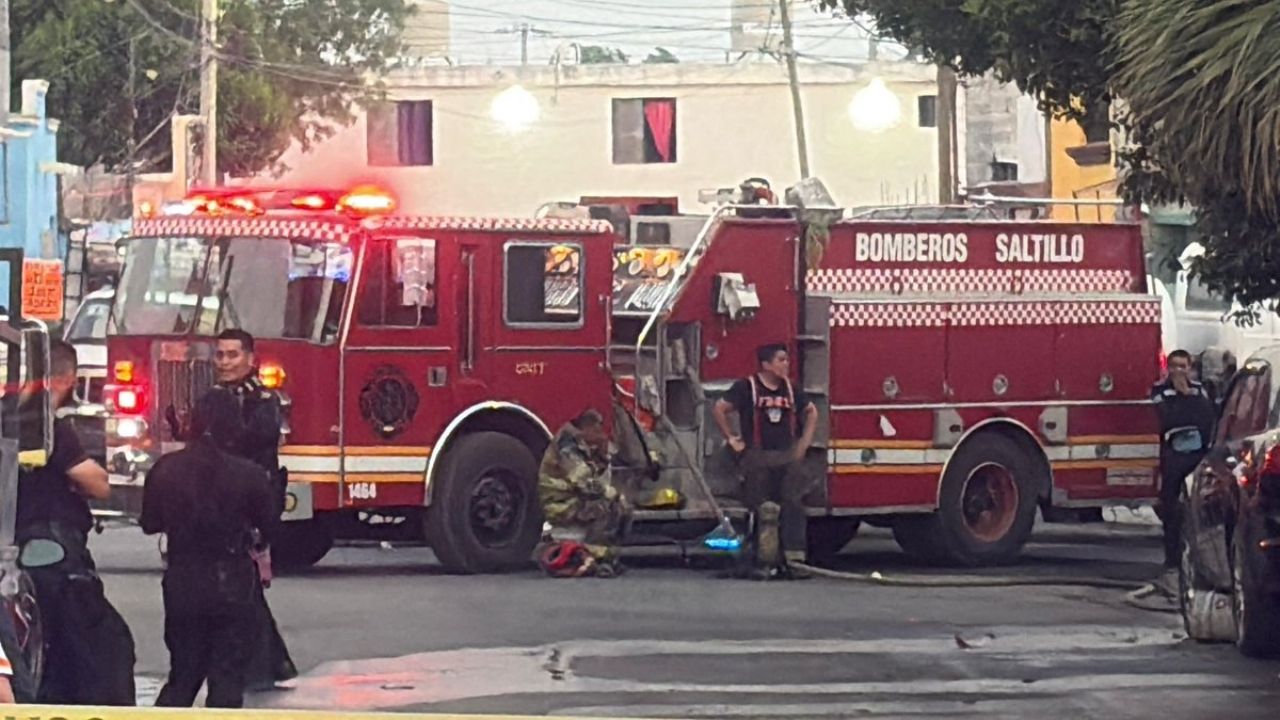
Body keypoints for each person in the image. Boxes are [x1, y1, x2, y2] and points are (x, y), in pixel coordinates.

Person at [15, 340, 135, 704]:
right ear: (68, 379)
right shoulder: (47, 428)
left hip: (17, 548)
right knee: (107, 648)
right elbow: (96, 484)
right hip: (52, 556)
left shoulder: (9, 420)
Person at [142, 388, 276, 708]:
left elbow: (150, 522)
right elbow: (270, 528)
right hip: (232, 580)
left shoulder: (165, 469)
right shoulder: (250, 475)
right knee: (227, 678)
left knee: (183, 675)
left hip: (183, 579)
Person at [211, 328, 297, 689]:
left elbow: (250, 444)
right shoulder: (215, 397)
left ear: (250, 359)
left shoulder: (263, 401)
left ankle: (263, 666)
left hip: (251, 503)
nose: (225, 362)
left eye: (233, 355)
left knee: (243, 583)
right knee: (240, 585)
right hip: (218, 500)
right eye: (220, 355)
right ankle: (274, 663)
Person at [713, 343, 818, 574]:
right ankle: (762, 557)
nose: (786, 364)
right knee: (761, 507)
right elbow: (719, 408)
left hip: (786, 457)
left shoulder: (791, 389)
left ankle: (795, 561)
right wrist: (731, 438)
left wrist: (803, 444)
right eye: (781, 360)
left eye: (787, 360)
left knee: (793, 504)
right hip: (757, 458)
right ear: (766, 365)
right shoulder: (746, 387)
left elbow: (811, 411)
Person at [537, 410, 631, 578]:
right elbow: (583, 482)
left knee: (621, 507)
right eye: (597, 429)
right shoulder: (567, 447)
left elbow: (593, 472)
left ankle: (607, 555)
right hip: (561, 504)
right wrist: (610, 493)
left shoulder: (579, 444)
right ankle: (596, 555)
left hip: (571, 498)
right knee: (607, 507)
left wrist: (603, 455)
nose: (600, 433)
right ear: (586, 428)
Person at [1151, 349, 1216, 574]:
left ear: (1190, 368)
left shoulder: (1199, 390)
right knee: (1171, 508)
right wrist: (1184, 399)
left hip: (1197, 456)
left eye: (1183, 366)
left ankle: (1200, 561)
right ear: (1168, 369)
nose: (1179, 371)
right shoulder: (1160, 391)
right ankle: (1172, 559)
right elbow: (1168, 418)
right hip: (1173, 457)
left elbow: (1207, 417)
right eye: (1174, 366)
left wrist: (1187, 395)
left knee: (1198, 508)